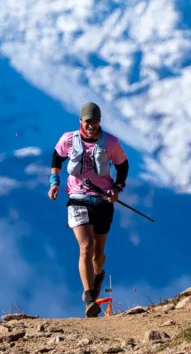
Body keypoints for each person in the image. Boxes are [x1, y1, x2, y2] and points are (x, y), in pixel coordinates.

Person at [48, 102, 130, 317]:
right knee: (86, 246)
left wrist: (117, 187)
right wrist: (54, 181)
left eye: (94, 122)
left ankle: (98, 274)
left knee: (98, 254)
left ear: (99, 122)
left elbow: (123, 166)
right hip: (77, 199)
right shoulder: (68, 139)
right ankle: (89, 296)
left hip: (103, 201)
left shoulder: (111, 143)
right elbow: (57, 157)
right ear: (80, 121)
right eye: (87, 122)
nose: (91, 126)